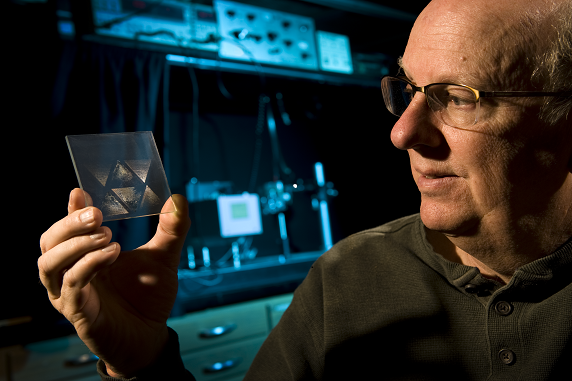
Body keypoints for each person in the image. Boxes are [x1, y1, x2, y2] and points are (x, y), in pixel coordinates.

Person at [39, 0, 572, 379]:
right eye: (407, 90)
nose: (402, 132)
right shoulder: (347, 278)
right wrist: (144, 365)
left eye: (459, 97)